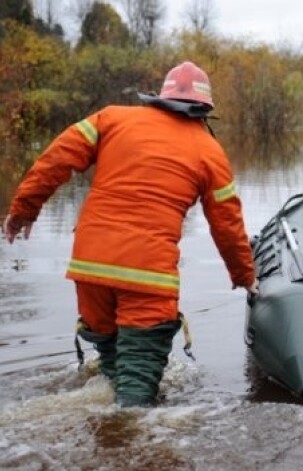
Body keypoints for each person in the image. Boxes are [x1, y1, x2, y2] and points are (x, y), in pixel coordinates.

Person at [2, 61, 258, 407]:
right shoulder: (210, 153)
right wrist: (244, 276)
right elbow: (227, 224)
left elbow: (56, 159)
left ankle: (105, 440)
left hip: (90, 268)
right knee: (137, 396)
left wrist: (23, 210)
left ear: (160, 97)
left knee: (112, 369)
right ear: (204, 110)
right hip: (147, 276)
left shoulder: (110, 119)